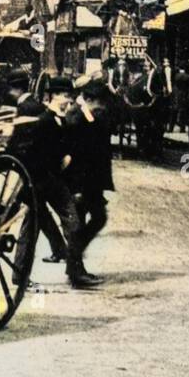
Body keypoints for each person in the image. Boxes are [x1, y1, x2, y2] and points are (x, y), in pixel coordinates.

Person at [7, 72, 98, 288]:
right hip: (40, 182)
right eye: (65, 95)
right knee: (32, 230)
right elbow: (29, 153)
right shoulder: (44, 120)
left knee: (73, 224)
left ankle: (75, 272)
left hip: (54, 182)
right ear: (54, 96)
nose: (69, 100)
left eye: (70, 95)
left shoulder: (62, 120)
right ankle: (21, 276)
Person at [64, 79, 114, 266]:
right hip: (81, 182)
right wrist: (76, 187)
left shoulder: (92, 116)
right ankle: (75, 267)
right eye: (99, 102)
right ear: (88, 99)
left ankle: (75, 264)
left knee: (95, 219)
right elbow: (75, 153)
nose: (102, 107)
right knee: (87, 221)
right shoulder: (77, 117)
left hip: (91, 182)